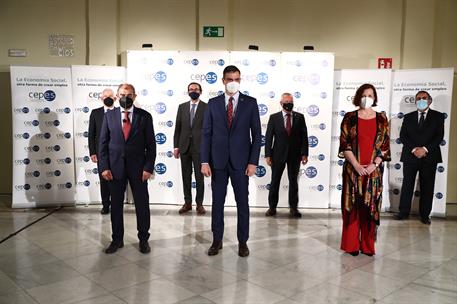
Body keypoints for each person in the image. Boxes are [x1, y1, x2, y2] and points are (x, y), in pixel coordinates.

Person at [200, 65, 262, 257]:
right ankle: (216, 240)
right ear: (223, 81)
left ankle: (243, 242)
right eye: (229, 79)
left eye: (236, 79)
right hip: (217, 162)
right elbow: (206, 134)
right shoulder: (213, 103)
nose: (233, 82)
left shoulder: (250, 103)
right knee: (217, 203)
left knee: (242, 202)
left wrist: (253, 162)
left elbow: (257, 134)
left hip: (241, 163)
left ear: (240, 80)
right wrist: (204, 161)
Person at [98, 83, 156, 254]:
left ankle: (144, 239)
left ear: (134, 97)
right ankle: (117, 240)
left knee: (142, 204)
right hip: (114, 168)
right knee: (115, 205)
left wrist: (148, 167)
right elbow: (102, 144)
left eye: (129, 94)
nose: (126, 97)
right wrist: (104, 167)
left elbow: (151, 145)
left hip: (139, 169)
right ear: (117, 96)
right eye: (123, 94)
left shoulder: (145, 116)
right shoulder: (109, 116)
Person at [338, 83, 390, 256]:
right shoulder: (349, 117)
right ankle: (351, 245)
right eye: (364, 94)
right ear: (358, 96)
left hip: (373, 172)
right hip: (353, 171)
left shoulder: (382, 118)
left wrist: (373, 165)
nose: (367, 98)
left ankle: (368, 246)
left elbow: (385, 146)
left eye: (370, 95)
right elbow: (344, 144)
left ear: (375, 98)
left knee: (370, 207)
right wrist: (357, 166)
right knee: (352, 206)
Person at [395, 91, 445, 224]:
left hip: (430, 156)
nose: (421, 100)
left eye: (424, 98)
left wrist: (424, 149)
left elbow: (439, 137)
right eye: (418, 98)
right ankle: (403, 212)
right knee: (407, 185)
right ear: (415, 101)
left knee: (427, 186)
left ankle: (424, 215)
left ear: (430, 100)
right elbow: (403, 136)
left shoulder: (438, 117)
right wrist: (414, 149)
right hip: (410, 156)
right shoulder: (408, 116)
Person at [264, 93, 308, 218]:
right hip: (277, 155)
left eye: (291, 101)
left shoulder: (300, 117)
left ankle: (293, 208)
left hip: (295, 155)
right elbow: (268, 138)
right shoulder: (274, 118)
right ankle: (272, 207)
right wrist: (268, 154)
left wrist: (304, 153)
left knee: (293, 181)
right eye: (286, 101)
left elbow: (304, 136)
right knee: (275, 182)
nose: (289, 103)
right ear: (281, 103)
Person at [173, 82, 207, 215]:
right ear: (188, 92)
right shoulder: (182, 107)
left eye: (196, 89)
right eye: (191, 89)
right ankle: (187, 203)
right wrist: (176, 146)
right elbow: (178, 128)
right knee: (186, 177)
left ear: (200, 91)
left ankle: (199, 204)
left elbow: (209, 130)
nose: (193, 91)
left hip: (200, 148)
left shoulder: (206, 107)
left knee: (200, 177)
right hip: (184, 147)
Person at [88, 88, 116, 214]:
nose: (107, 98)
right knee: (103, 180)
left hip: (117, 152)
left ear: (115, 98)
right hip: (101, 153)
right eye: (105, 96)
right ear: (101, 98)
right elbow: (91, 134)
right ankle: (106, 205)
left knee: (117, 180)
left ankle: (116, 204)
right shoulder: (95, 113)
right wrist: (93, 152)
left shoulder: (120, 112)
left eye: (110, 96)